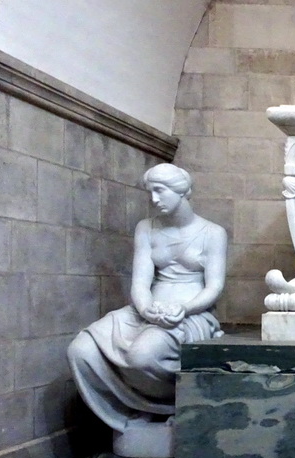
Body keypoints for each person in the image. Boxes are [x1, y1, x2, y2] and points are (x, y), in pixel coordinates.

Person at [68, 164, 227, 438]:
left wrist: (184, 308)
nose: (154, 199)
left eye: (160, 191)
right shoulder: (146, 228)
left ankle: (168, 406)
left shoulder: (212, 233)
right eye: (150, 192)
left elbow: (214, 287)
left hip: (192, 314)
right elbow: (140, 283)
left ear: (181, 192)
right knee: (81, 349)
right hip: (147, 310)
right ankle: (130, 409)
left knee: (143, 355)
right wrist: (145, 309)